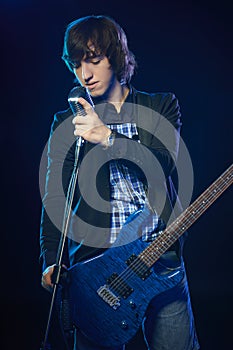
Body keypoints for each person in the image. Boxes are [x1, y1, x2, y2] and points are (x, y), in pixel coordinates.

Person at [40, 15, 200, 350]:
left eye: (94, 61)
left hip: (161, 259)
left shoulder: (160, 105)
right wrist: (51, 260)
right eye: (76, 64)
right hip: (99, 275)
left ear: (117, 56)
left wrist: (108, 138)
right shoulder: (66, 123)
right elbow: (57, 199)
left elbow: (164, 164)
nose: (85, 74)